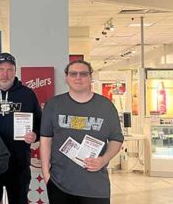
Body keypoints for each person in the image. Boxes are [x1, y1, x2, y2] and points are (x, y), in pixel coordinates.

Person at [40, 60, 124, 204]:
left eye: (83, 74)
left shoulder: (106, 106)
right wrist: (46, 174)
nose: (78, 77)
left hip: (95, 186)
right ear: (66, 77)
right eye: (73, 74)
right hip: (60, 185)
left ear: (91, 77)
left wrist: (104, 160)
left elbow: (116, 139)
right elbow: (45, 139)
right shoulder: (54, 104)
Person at [0, 52, 42, 204]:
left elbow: (39, 122)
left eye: (10, 69)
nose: (5, 74)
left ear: (15, 71)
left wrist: (35, 135)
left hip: (18, 162)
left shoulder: (27, 94)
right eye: (1, 69)